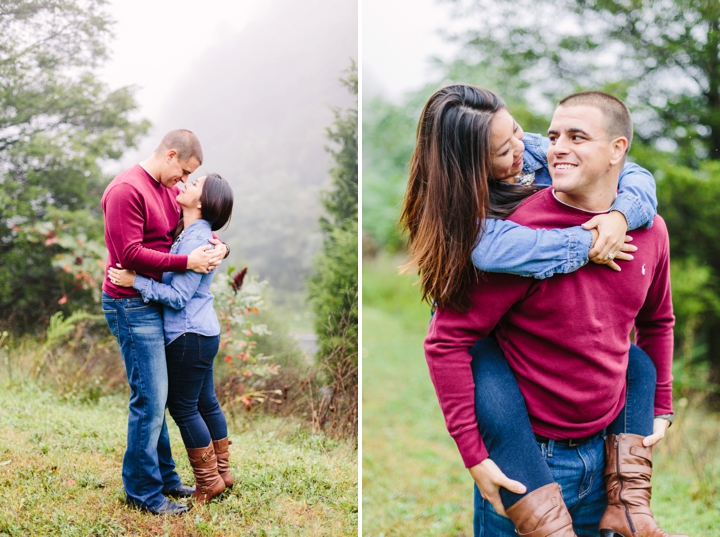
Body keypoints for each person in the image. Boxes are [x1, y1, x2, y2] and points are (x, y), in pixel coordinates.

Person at [404, 88, 686, 536]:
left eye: (518, 131)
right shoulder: (505, 240)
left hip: (605, 448)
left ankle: (630, 501)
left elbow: (657, 319)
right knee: (486, 361)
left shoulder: (646, 228)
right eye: (504, 149)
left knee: (637, 364)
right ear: (477, 167)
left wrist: (620, 215)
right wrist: (475, 456)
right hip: (530, 453)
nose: (541, 147)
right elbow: (448, 341)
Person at [101, 130, 228, 515]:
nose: (184, 181)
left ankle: (168, 480)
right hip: (129, 303)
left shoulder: (167, 191)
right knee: (151, 401)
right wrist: (186, 264)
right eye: (184, 171)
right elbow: (130, 253)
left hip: (154, 303)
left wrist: (220, 247)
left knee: (158, 399)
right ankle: (143, 492)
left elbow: (194, 230)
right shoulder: (127, 190)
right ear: (171, 155)